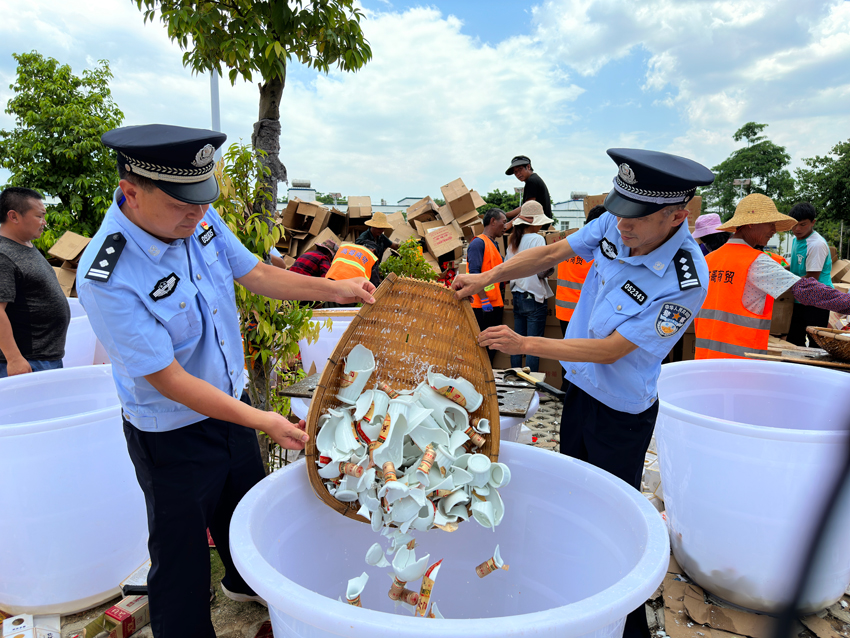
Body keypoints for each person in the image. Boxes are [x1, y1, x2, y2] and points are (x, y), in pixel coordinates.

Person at [76, 124, 375, 638]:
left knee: (245, 516)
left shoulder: (199, 217)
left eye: (201, 201)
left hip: (231, 408)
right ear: (131, 191)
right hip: (172, 433)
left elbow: (255, 273)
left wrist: (333, 288)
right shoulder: (109, 275)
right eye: (181, 205)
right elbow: (166, 378)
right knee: (181, 558)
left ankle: (246, 586)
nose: (196, 214)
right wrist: (262, 418)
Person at [454, 148, 715, 638]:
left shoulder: (686, 277)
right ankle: (572, 590)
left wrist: (524, 343)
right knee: (573, 491)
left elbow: (615, 349)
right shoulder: (616, 225)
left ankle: (626, 620)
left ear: (677, 215)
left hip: (621, 411)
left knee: (613, 512)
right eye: (619, 210)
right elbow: (551, 253)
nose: (621, 226)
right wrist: (487, 277)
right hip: (579, 389)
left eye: (636, 217)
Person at [694, 194, 850, 359]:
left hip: (705, 359)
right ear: (752, 224)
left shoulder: (708, 261)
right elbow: (806, 290)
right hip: (739, 363)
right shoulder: (755, 262)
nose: (774, 230)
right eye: (770, 224)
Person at [0, 187, 71, 378]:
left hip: (43, 358)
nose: (44, 222)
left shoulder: (26, 245)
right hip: (26, 362)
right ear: (14, 216)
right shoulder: (3, 255)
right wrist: (14, 358)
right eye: (39, 216)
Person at [505, 201, 553, 372]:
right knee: (533, 344)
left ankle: (515, 380)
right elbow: (543, 270)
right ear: (534, 222)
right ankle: (531, 384)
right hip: (534, 296)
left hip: (517, 296)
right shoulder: (538, 239)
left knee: (516, 342)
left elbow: (507, 269)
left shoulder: (513, 242)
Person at [555, 204, 606, 337]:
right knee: (581, 355)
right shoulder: (599, 251)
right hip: (583, 313)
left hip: (563, 310)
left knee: (567, 352)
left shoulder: (569, 244)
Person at [787, 202, 834, 346]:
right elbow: (796, 268)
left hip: (817, 300)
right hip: (800, 298)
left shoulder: (816, 244)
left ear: (813, 222)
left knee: (815, 345)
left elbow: (812, 278)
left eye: (803, 224)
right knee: (794, 341)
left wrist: (785, 283)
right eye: (794, 225)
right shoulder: (796, 240)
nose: (797, 229)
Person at [467, 208, 507, 362]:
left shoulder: (493, 244)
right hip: (482, 307)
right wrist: (484, 300)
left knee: (491, 348)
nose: (505, 226)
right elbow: (475, 274)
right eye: (503, 222)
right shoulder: (478, 243)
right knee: (483, 349)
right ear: (492, 221)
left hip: (494, 304)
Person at [504, 155, 552, 224]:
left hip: (537, 224)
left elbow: (528, 208)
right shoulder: (535, 179)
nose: (518, 174)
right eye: (515, 172)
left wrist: (506, 216)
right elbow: (525, 207)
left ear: (528, 167)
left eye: (520, 169)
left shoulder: (531, 181)